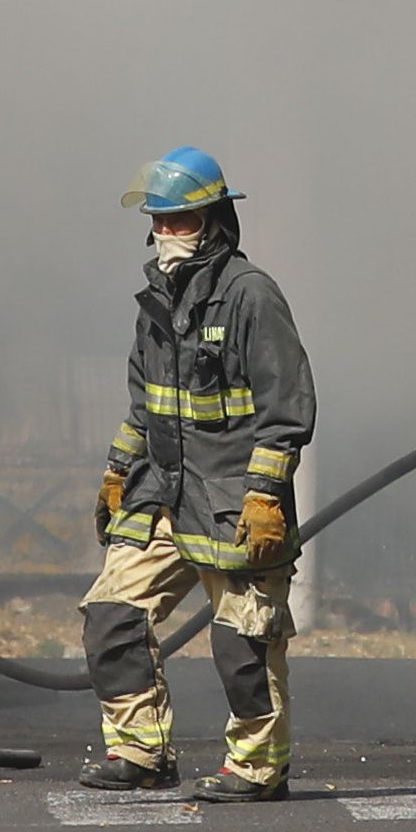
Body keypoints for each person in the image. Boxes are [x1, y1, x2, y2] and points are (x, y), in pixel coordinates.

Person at [80, 142, 316, 798]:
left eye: (177, 219)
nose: (165, 233)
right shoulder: (157, 302)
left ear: (213, 221)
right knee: (111, 614)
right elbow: (144, 406)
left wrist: (264, 496)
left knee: (244, 643)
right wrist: (118, 473)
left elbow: (286, 410)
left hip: (235, 502)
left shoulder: (250, 296)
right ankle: (140, 751)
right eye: (157, 221)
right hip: (164, 492)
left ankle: (258, 767)